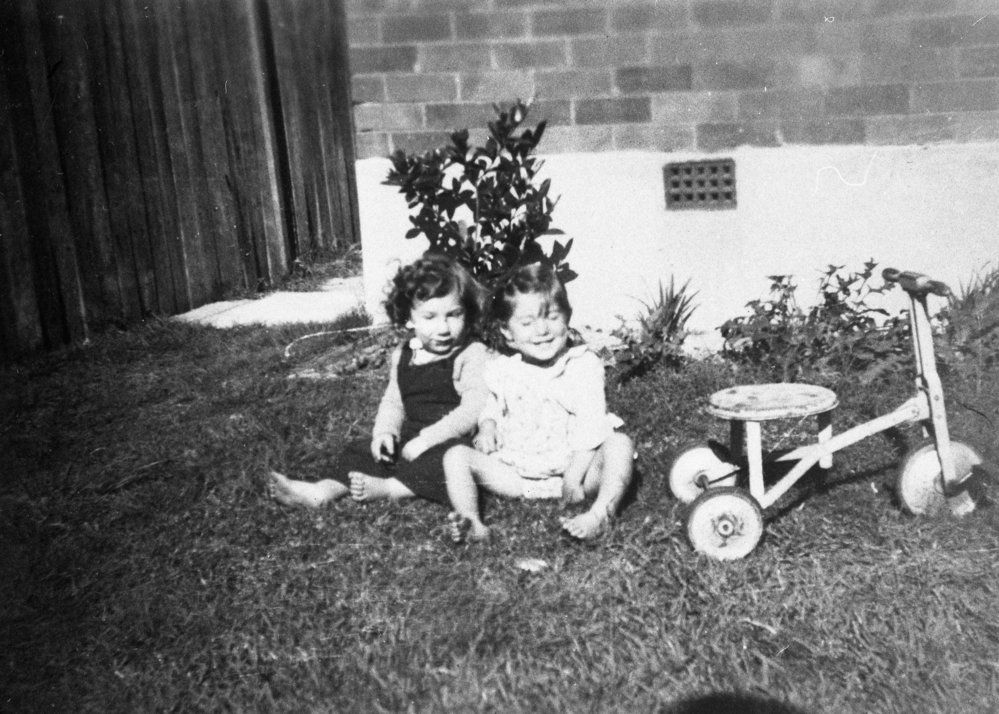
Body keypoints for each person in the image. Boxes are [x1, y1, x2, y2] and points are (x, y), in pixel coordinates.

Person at [268, 253, 491, 508]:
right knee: (361, 451)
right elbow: (394, 402)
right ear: (409, 317)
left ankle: (389, 488)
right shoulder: (404, 354)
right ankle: (321, 491)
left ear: (467, 313)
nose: (443, 328)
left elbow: (473, 408)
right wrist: (385, 433)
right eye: (430, 317)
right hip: (413, 434)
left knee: (448, 463)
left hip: (451, 437)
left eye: (453, 315)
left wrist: (429, 439)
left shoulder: (470, 353)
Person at [443, 262, 635, 542]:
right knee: (455, 456)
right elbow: (493, 404)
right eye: (527, 322)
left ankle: (600, 513)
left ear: (567, 318)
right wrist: (487, 426)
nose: (542, 330)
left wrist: (574, 474)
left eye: (552, 316)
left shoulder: (581, 366)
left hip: (575, 472)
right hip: (516, 475)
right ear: (508, 333)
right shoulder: (504, 368)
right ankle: (472, 522)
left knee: (620, 444)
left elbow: (591, 424)